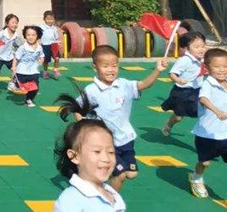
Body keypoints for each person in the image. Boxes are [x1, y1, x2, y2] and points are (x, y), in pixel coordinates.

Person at [59, 45, 168, 191]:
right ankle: (110, 202)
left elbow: (143, 85)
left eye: (114, 66)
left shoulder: (123, 85)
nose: (111, 70)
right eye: (105, 66)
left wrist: (158, 70)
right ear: (95, 67)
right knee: (120, 175)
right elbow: (77, 108)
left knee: (131, 174)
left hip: (126, 139)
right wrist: (84, 127)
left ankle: (96, 174)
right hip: (106, 142)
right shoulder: (91, 90)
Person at [188, 48, 227, 208]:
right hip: (207, 133)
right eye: (217, 67)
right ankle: (196, 178)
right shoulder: (207, 84)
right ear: (208, 68)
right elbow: (203, 99)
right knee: (205, 163)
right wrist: (216, 111)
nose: (222, 70)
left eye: (225, 66)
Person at [52, 112, 125, 212]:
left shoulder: (112, 194)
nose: (106, 159)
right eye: (97, 152)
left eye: (111, 152)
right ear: (74, 156)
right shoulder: (71, 201)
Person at [161, 31, 207, 136]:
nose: (201, 49)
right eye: (197, 47)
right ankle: (169, 124)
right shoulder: (184, 60)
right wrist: (178, 80)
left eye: (203, 46)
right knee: (178, 117)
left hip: (198, 90)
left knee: (203, 111)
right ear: (186, 48)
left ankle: (205, 132)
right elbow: (172, 73)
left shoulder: (204, 59)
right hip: (182, 92)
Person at [12, 25, 45, 108]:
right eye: (28, 35)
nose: (31, 37)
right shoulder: (23, 48)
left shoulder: (39, 47)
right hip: (21, 70)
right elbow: (16, 58)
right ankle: (14, 82)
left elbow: (42, 56)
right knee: (19, 86)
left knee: (34, 87)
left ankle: (29, 99)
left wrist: (41, 60)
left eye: (33, 35)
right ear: (25, 36)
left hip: (33, 70)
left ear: (38, 36)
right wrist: (14, 67)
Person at [0, 13, 20, 94]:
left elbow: (17, 46)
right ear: (7, 23)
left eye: (16, 23)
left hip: (10, 56)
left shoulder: (16, 35)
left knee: (15, 70)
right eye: (12, 22)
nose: (14, 24)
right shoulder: (2, 33)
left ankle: (11, 84)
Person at [40, 10, 62, 79]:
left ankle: (55, 69)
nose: (50, 21)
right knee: (46, 61)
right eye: (48, 19)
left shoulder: (54, 29)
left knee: (57, 58)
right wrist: (38, 41)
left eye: (52, 19)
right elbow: (37, 36)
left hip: (53, 45)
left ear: (54, 20)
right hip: (45, 46)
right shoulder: (41, 28)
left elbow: (56, 38)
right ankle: (45, 72)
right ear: (44, 19)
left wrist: (59, 43)